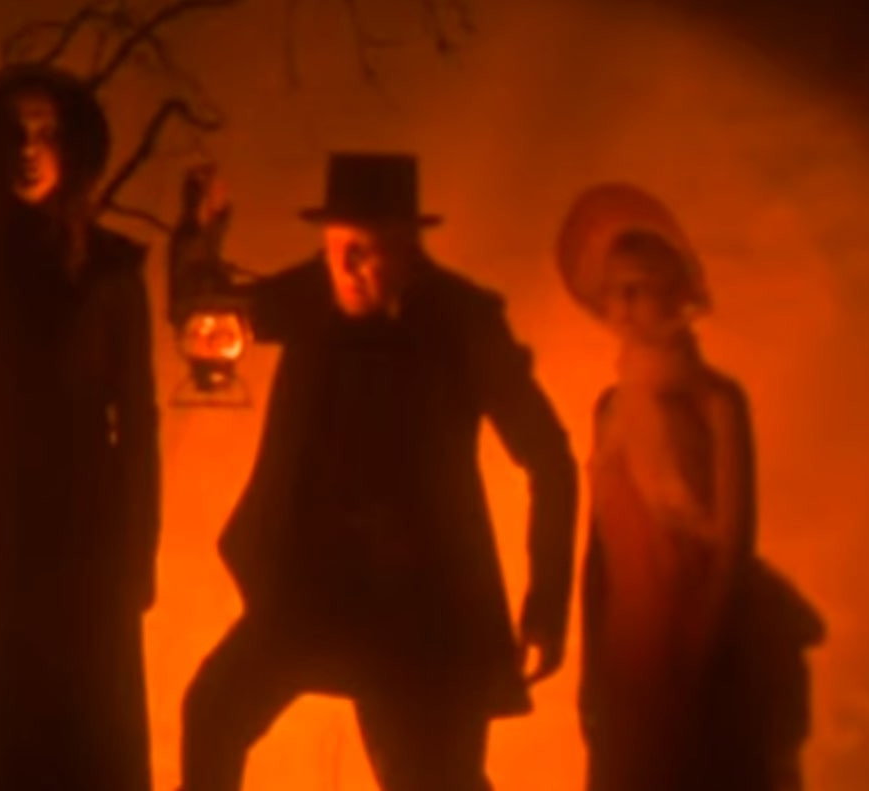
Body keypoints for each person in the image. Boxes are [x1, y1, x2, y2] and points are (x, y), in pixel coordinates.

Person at [173, 154, 579, 791]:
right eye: (337, 249)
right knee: (213, 710)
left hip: (424, 609)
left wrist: (547, 602)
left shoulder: (461, 321)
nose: (348, 267)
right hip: (316, 593)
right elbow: (201, 314)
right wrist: (198, 236)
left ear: (407, 248)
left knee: (432, 778)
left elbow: (549, 456)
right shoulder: (315, 297)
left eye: (366, 251)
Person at [0, 64, 159, 791]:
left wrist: (135, 557)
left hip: (84, 550)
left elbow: (138, 426)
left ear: (69, 150)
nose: (29, 149)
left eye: (45, 133)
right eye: (15, 134)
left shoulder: (111, 272)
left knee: (86, 743)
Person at [558, 183, 824, 791]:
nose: (624, 305)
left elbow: (732, 546)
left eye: (640, 287)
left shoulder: (716, 403)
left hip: (704, 647)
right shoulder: (612, 410)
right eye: (614, 290)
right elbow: (600, 550)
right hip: (628, 649)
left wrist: (697, 659)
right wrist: (595, 665)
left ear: (677, 293)